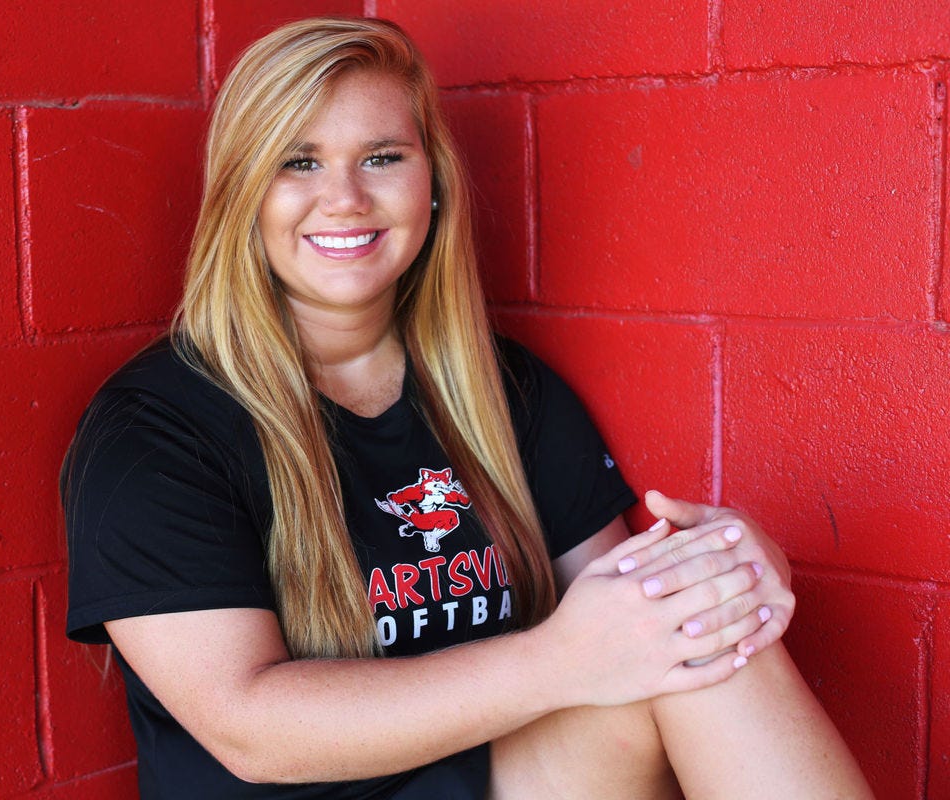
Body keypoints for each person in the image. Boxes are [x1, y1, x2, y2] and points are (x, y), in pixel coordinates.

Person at [62, 16, 872, 799]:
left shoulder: (504, 389)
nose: (344, 197)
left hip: (498, 777)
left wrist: (733, 573)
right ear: (242, 192)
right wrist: (561, 661)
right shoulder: (155, 429)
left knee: (698, 643)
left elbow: (630, 618)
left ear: (434, 184)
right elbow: (250, 731)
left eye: (382, 157)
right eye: (298, 162)